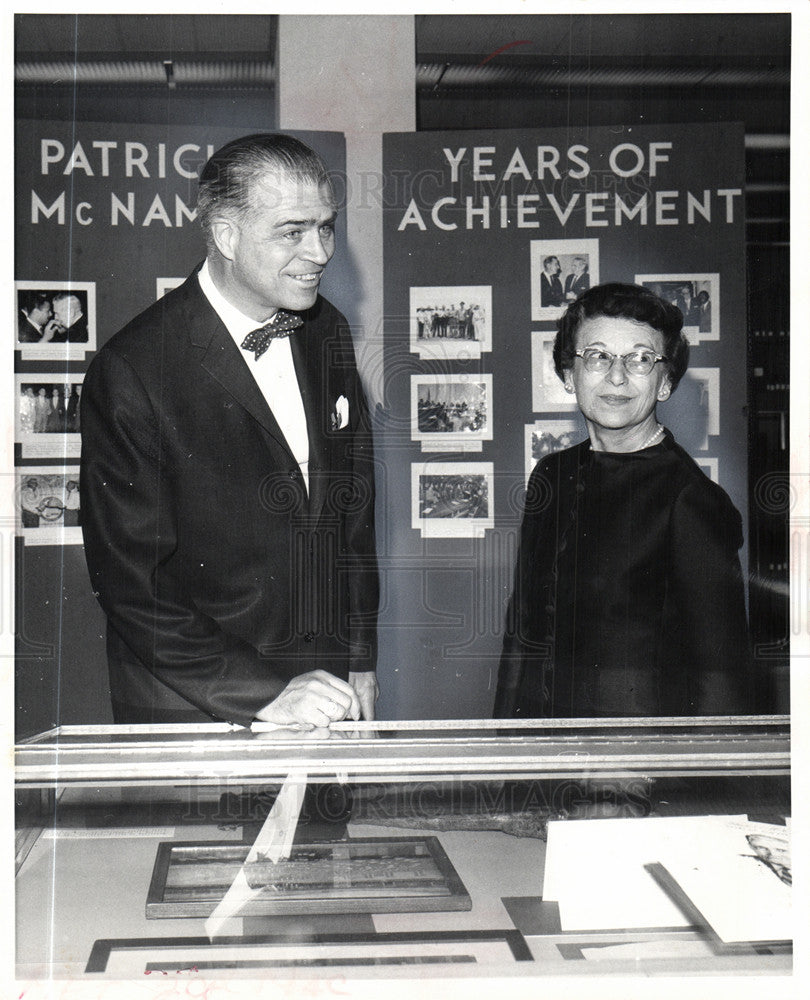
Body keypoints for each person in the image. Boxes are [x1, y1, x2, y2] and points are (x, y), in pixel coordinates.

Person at [81, 132, 379, 728]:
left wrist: (359, 658)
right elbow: (131, 584)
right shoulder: (133, 369)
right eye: (292, 231)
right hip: (197, 703)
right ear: (225, 235)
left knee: (320, 829)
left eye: (326, 227)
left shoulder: (328, 331)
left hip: (325, 689)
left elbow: (353, 512)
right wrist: (263, 693)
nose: (320, 252)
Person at [495, 282, 751, 718]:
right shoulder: (551, 476)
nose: (617, 376)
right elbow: (521, 639)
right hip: (538, 757)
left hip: (636, 769)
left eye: (640, 359)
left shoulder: (691, 500)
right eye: (597, 356)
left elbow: (721, 679)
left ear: (666, 382)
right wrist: (503, 753)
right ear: (568, 374)